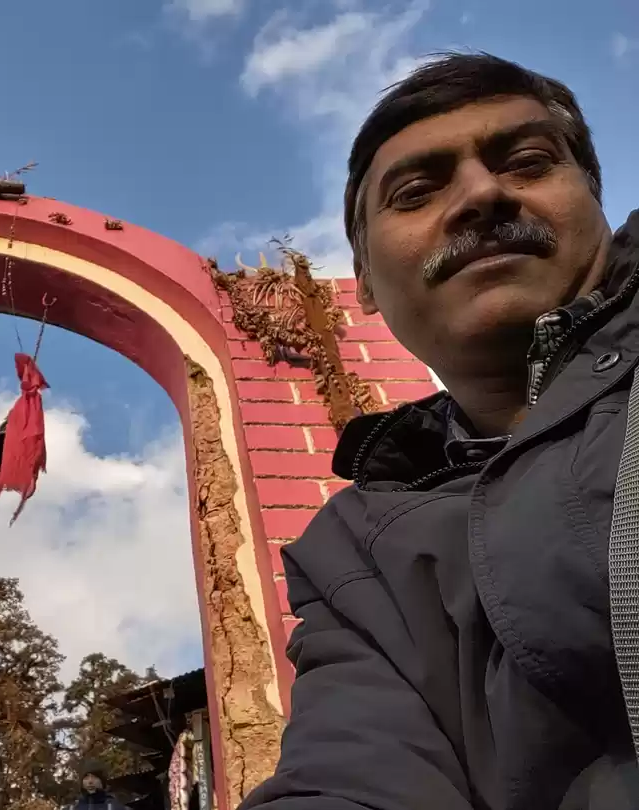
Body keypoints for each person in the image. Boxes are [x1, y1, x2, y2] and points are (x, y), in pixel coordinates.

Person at [239, 52, 639, 810]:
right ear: (362, 280)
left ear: (596, 199)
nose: (483, 195)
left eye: (527, 163)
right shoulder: (356, 553)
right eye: (417, 193)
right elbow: (353, 774)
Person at [63, 762, 129, 810]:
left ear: (102, 782)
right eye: (86, 778)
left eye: (94, 777)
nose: (90, 781)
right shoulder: (72, 808)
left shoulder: (116, 807)